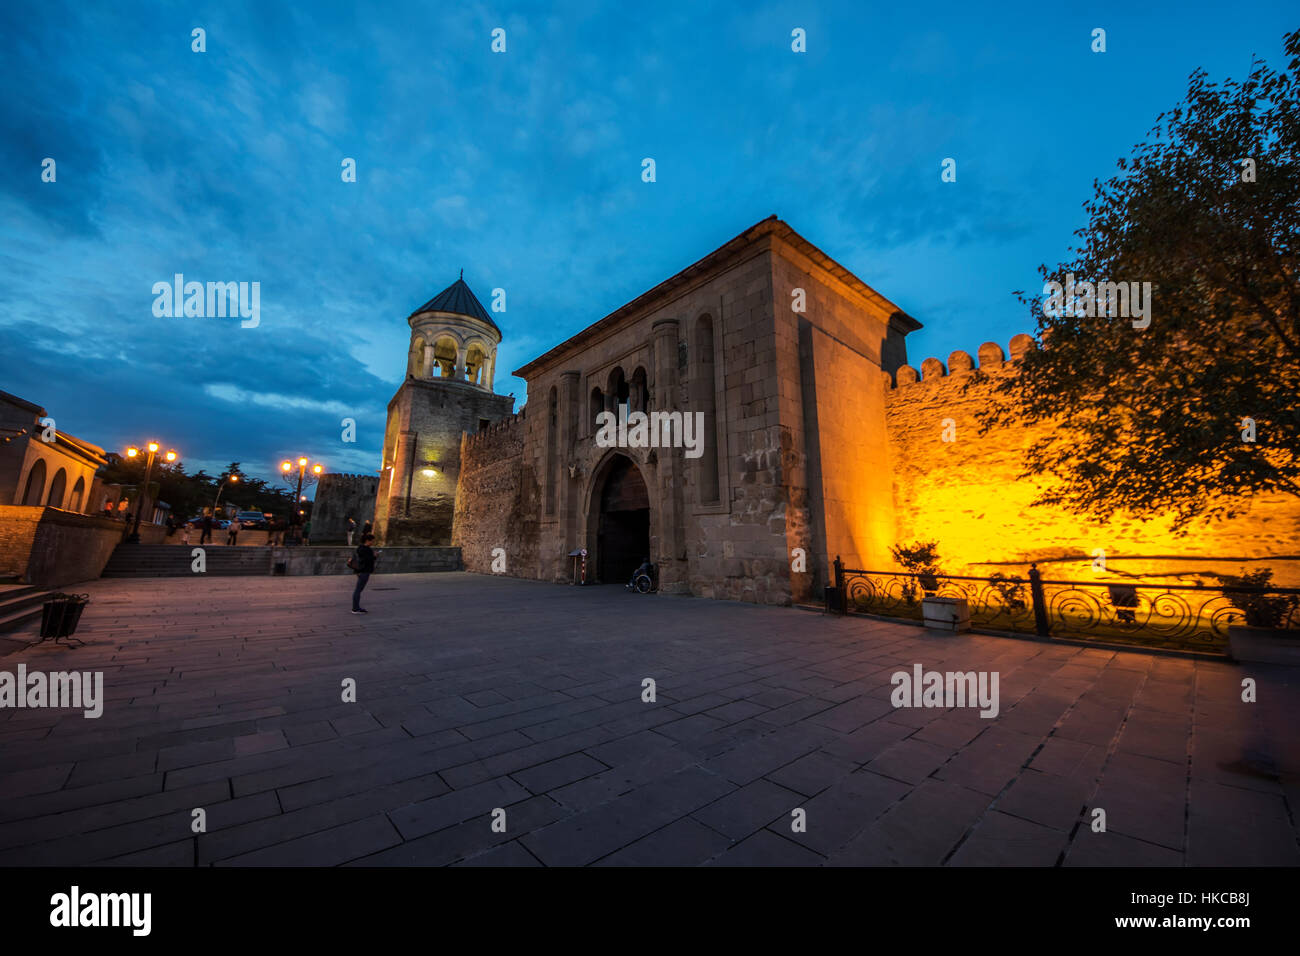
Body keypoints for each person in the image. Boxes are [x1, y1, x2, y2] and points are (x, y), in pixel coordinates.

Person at [351, 533, 377, 614]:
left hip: (359, 571)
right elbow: (367, 560)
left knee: (358, 589)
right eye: (372, 541)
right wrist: (374, 556)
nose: (372, 542)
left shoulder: (360, 548)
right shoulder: (367, 549)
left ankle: (355, 608)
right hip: (364, 571)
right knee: (358, 590)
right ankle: (355, 608)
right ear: (367, 540)